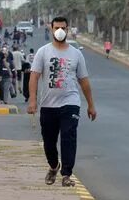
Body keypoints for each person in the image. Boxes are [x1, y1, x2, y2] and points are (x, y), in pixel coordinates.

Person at [28, 16, 97, 188]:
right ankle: (53, 166)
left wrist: (91, 104)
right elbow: (34, 76)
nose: (60, 31)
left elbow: (84, 81)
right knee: (49, 141)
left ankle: (66, 174)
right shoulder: (43, 52)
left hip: (70, 102)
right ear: (51, 29)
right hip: (48, 104)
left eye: (63, 28)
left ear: (67, 30)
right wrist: (32, 100)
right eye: (57, 27)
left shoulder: (76, 54)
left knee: (68, 137)